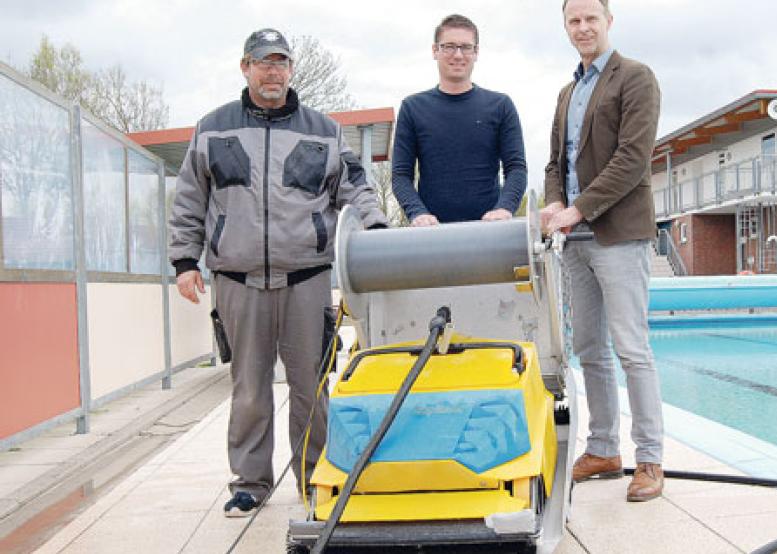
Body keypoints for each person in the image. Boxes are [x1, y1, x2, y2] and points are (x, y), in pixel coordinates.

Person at [168, 28, 388, 517]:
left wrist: (375, 227)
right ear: (245, 67)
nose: (273, 71)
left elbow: (355, 186)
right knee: (249, 388)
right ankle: (250, 483)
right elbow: (189, 197)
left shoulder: (323, 130)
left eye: (281, 62)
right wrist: (184, 260)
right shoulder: (212, 128)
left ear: (290, 69)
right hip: (237, 280)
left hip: (306, 279)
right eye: (263, 62)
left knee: (313, 385)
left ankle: (316, 478)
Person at [541, 0, 665, 502]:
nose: (583, 27)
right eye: (574, 20)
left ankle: (650, 458)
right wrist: (555, 203)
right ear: (566, 27)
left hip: (619, 235)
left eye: (591, 18)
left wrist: (578, 209)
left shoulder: (635, 78)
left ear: (608, 22)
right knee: (589, 349)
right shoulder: (567, 92)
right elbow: (556, 163)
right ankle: (603, 449)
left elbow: (633, 159)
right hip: (576, 242)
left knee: (632, 350)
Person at [391, 14, 527, 226]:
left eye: (466, 47)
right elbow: (401, 175)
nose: (458, 54)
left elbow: (516, 168)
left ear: (476, 52)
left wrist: (505, 208)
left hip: (491, 231)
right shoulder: (412, 108)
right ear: (435, 50)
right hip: (432, 233)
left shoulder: (501, 106)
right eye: (449, 47)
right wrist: (417, 213)